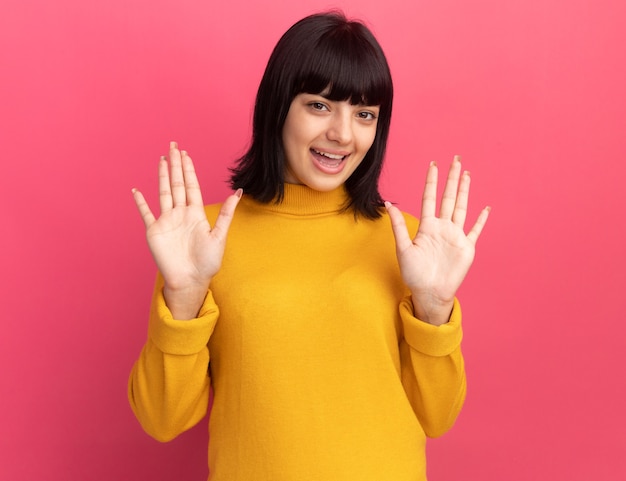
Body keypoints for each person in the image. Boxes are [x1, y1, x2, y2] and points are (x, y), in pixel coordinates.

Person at [128, 11, 489, 481]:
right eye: (320, 105)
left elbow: (437, 418)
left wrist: (434, 309)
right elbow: (162, 420)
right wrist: (183, 296)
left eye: (365, 114)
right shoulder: (204, 238)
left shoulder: (410, 245)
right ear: (279, 106)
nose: (342, 133)